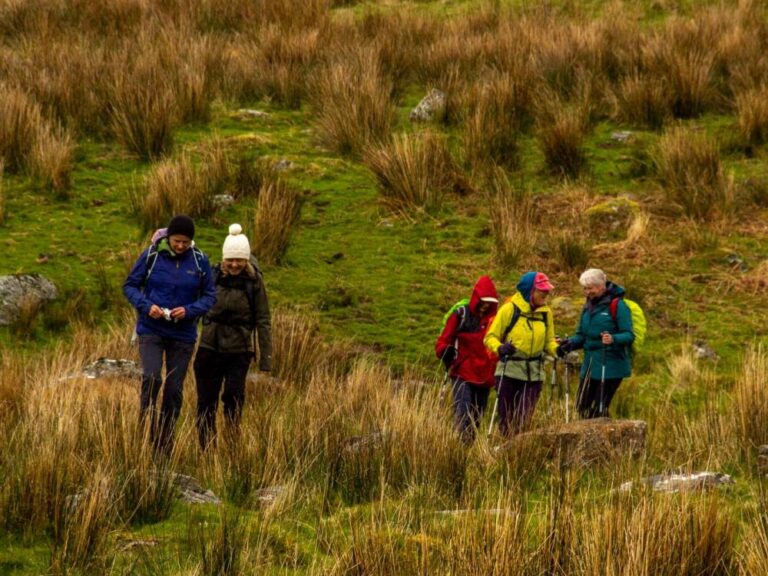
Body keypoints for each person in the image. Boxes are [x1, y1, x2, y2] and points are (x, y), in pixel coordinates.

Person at [123, 215, 216, 453]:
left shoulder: (199, 261)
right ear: (169, 237)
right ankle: (145, 427)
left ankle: (164, 443)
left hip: (183, 335)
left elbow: (210, 296)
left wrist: (188, 311)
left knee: (174, 389)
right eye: (177, 241)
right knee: (152, 377)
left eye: (185, 242)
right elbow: (130, 286)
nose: (181, 246)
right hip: (151, 329)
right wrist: (147, 306)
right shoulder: (152, 255)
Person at [193, 224, 272, 450]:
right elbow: (195, 306)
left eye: (239, 260)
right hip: (209, 347)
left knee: (233, 397)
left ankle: (232, 444)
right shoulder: (212, 277)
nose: (235, 264)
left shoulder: (255, 283)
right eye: (230, 260)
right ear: (224, 258)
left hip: (239, 351)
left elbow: (264, 320)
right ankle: (206, 448)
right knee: (206, 401)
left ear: (246, 259)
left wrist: (266, 358)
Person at [484, 271, 558, 436]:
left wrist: (558, 349)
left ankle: (520, 455)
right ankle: (506, 454)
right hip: (509, 371)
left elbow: (549, 342)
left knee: (524, 420)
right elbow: (490, 337)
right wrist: (500, 348)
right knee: (507, 420)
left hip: (534, 375)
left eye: (547, 290)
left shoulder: (546, 313)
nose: (546, 294)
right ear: (529, 291)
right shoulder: (509, 309)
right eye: (541, 290)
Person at [556, 268, 633, 419]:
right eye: (584, 288)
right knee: (581, 406)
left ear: (601, 286)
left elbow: (629, 335)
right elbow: (582, 335)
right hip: (589, 366)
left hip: (610, 367)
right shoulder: (587, 306)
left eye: (590, 288)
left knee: (598, 409)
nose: (587, 292)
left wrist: (613, 338)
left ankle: (605, 439)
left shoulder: (618, 305)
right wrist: (568, 344)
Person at [435, 276, 499, 443]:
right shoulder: (461, 314)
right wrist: (444, 351)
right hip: (462, 374)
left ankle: (466, 453)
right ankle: (458, 452)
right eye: (483, 301)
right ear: (476, 298)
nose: (485, 306)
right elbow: (443, 340)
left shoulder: (494, 320)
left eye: (489, 303)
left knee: (476, 421)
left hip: (484, 378)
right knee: (462, 416)